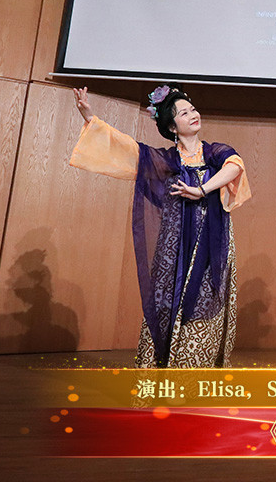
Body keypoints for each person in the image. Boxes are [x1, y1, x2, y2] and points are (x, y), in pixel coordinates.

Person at [69, 84, 251, 368]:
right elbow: (126, 148)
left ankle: (195, 375)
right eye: (183, 113)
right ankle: (160, 373)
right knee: (168, 300)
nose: (193, 114)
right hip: (175, 246)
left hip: (212, 246)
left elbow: (235, 165)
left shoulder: (214, 153)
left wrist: (202, 189)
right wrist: (91, 118)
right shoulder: (166, 160)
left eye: (193, 109)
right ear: (172, 126)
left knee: (204, 303)